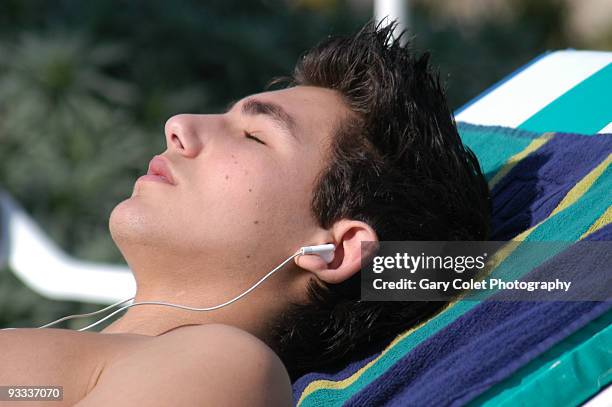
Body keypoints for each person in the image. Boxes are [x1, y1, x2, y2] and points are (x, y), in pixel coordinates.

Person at [0, 19, 489, 406]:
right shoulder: (102, 360)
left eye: (255, 136)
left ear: (336, 249)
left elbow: (573, 280)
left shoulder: (225, 365)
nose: (178, 125)